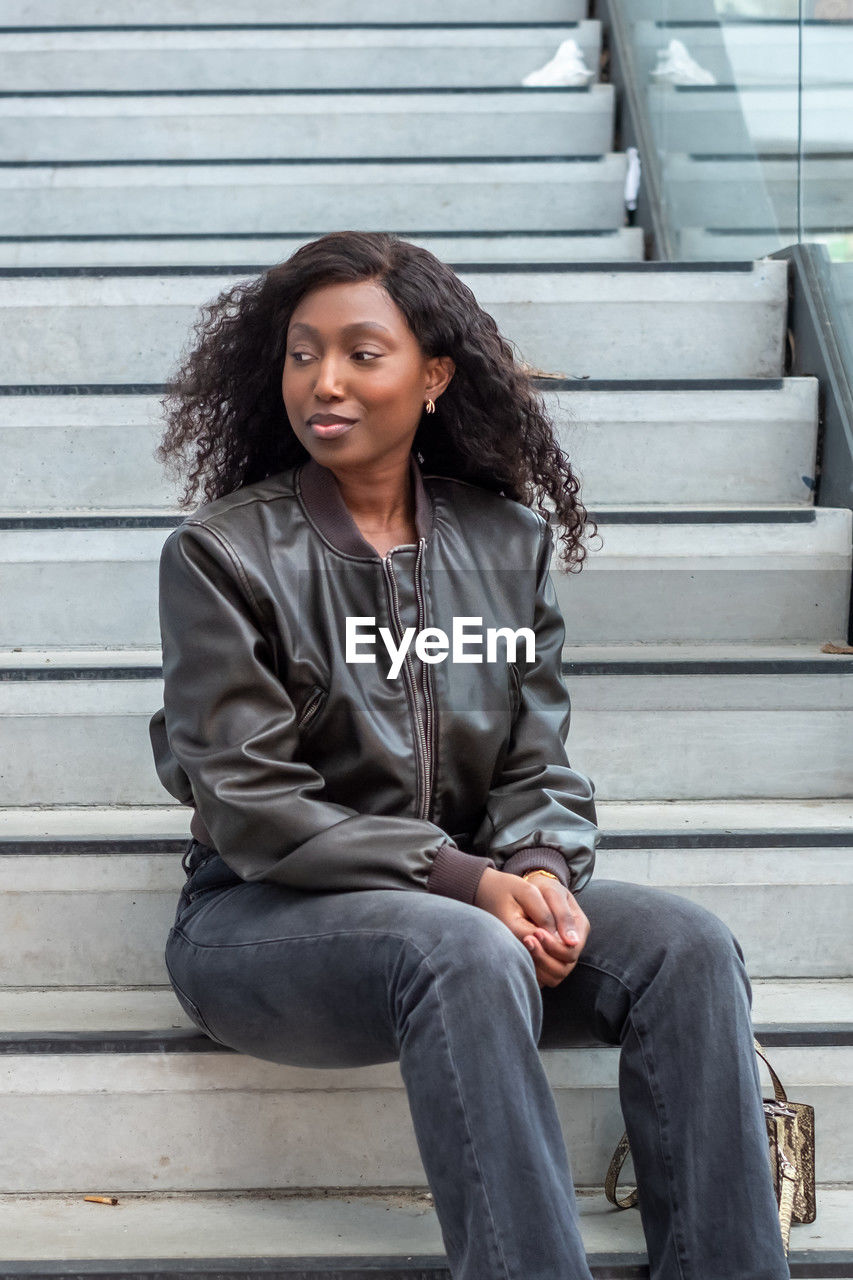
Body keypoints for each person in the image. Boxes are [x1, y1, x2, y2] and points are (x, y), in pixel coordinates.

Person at [148, 231, 791, 1280]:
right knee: (465, 945)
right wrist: (468, 880)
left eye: (364, 351)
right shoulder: (224, 554)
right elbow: (250, 802)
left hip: (471, 900)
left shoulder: (505, 544)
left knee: (685, 945)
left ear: (434, 374)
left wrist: (538, 867)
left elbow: (540, 763)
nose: (326, 380)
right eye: (304, 352)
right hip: (257, 920)